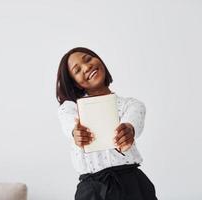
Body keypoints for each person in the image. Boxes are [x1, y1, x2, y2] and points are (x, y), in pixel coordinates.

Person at [56, 47, 157, 200]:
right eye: (77, 70)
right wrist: (75, 133)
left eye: (88, 59)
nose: (87, 66)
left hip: (132, 184)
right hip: (92, 191)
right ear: (75, 83)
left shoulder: (132, 105)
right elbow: (69, 124)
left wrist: (129, 130)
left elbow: (133, 121)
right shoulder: (71, 108)